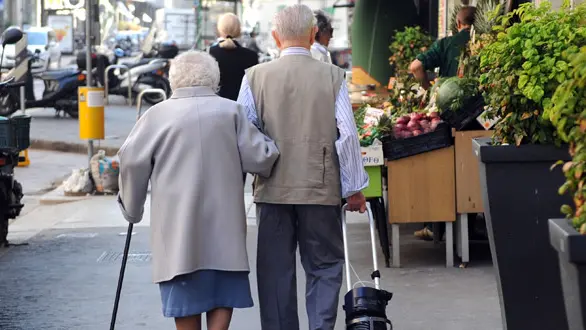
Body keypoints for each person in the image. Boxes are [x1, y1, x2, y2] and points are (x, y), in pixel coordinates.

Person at [116, 51, 279, 330]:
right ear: (214, 79)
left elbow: (130, 161)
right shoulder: (232, 112)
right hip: (224, 228)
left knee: (185, 293)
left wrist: (132, 208)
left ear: (173, 80)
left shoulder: (156, 115)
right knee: (222, 291)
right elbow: (261, 158)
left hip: (179, 231)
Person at [237, 4, 369, 330]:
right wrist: (353, 188)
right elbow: (348, 135)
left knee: (275, 272)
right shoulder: (333, 76)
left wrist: (263, 164)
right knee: (324, 266)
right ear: (313, 35)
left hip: (273, 190)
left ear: (275, 36)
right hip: (320, 187)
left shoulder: (255, 77)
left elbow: (243, 133)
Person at [409, 6, 476, 240]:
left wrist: (430, 90)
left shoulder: (447, 44)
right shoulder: (488, 42)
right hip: (481, 116)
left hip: (450, 114)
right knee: (473, 172)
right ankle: (472, 225)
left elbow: (415, 66)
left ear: (458, 23)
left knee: (443, 167)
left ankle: (437, 227)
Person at [209, 13, 259, 101]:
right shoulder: (252, 56)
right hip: (242, 108)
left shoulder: (209, 53)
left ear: (219, 30)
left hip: (215, 107)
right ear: (239, 30)